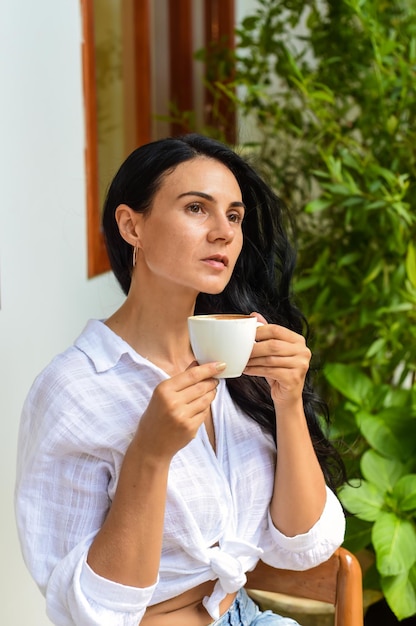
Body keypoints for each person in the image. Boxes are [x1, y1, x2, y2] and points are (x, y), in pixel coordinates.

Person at [15, 134, 346, 626]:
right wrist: (149, 454)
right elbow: (93, 611)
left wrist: (289, 400)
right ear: (132, 226)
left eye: (233, 216)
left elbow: (301, 543)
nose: (224, 233)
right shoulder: (76, 389)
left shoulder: (238, 362)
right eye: (197, 208)